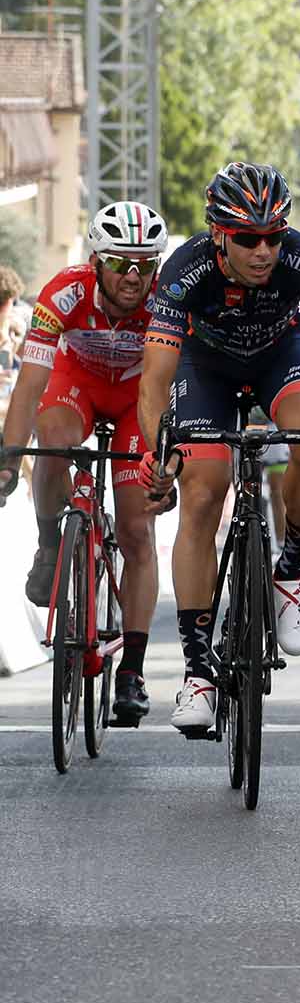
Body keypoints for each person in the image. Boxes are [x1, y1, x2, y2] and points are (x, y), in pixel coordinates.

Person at [141, 164, 300, 737]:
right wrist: (156, 452)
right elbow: (153, 381)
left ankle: (290, 570)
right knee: (202, 490)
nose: (264, 250)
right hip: (206, 368)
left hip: (280, 356)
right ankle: (197, 671)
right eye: (247, 238)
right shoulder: (183, 272)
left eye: (274, 235)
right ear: (219, 234)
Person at [0, 202, 167, 723]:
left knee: (138, 532)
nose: (133, 276)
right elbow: (29, 386)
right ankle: (52, 545)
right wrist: (7, 460)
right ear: (95, 262)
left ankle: (133, 671)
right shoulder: (63, 292)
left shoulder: (167, 300)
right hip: (80, 386)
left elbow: (177, 388)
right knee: (50, 439)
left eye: (144, 263)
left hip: (140, 398)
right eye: (119, 262)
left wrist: (169, 458)